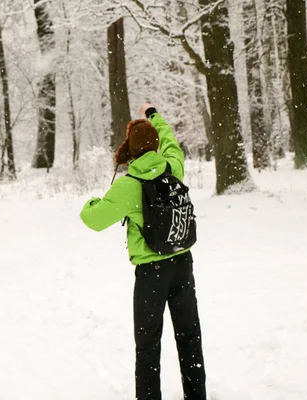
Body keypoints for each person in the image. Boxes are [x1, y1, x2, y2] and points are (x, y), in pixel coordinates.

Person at [80, 104, 206, 400]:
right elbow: (171, 141)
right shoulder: (172, 167)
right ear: (157, 145)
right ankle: (196, 395)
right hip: (182, 263)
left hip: (152, 273)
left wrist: (93, 202)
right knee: (189, 335)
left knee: (148, 342)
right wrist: (152, 114)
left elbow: (93, 220)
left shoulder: (129, 185)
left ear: (131, 151)